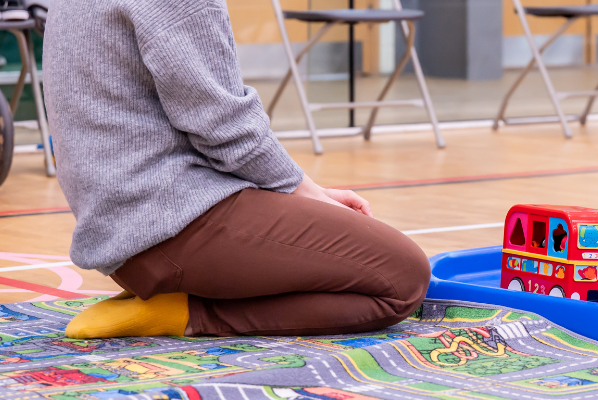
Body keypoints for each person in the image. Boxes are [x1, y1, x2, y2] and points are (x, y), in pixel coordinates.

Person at [43, 0, 431, 338]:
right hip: (167, 227)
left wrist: (306, 192)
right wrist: (308, 194)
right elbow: (222, 124)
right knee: (402, 277)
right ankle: (185, 312)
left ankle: (178, 292)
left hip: (128, 232)